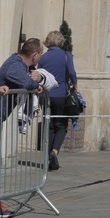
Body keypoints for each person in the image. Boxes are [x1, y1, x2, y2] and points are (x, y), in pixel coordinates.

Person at [0, 38, 44, 218]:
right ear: (34, 55)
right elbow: (25, 83)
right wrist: (36, 84)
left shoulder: (20, 64)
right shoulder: (15, 64)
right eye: (40, 55)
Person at [38, 30, 77, 171]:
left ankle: (48, 154)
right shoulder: (66, 55)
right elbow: (71, 73)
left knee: (50, 125)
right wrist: (75, 86)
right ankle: (54, 151)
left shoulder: (43, 57)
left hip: (47, 95)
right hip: (61, 94)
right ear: (61, 41)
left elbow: (40, 75)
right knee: (61, 125)